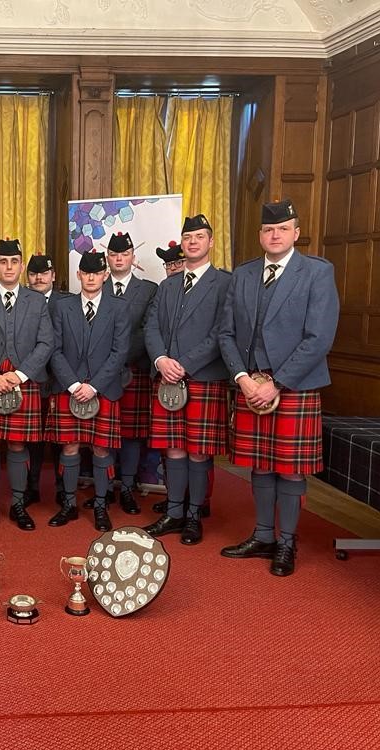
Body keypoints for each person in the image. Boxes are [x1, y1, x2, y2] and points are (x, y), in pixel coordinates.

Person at [217, 199, 339, 576]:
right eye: (269, 229)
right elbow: (226, 333)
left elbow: (319, 338)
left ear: (296, 234)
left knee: (289, 470)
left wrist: (278, 383)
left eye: (283, 229)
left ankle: (286, 543)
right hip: (251, 384)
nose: (275, 235)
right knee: (260, 465)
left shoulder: (316, 273)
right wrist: (242, 378)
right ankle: (263, 535)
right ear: (260, 235)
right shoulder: (243, 274)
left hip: (293, 387)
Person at [142, 215, 231, 545]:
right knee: (174, 448)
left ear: (210, 242)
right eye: (188, 236)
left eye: (199, 236)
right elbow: (151, 327)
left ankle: (194, 515)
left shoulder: (224, 283)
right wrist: (161, 360)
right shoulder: (167, 286)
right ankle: (174, 512)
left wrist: (185, 364)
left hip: (202, 377)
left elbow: (222, 332)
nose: (192, 242)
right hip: (166, 377)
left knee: (197, 451)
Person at [0, 238, 54, 531]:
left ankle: (18, 503)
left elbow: (46, 343)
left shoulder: (37, 301)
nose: (8, 267)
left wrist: (20, 375)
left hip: (22, 380)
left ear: (21, 266)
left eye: (14, 262)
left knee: (18, 445)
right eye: (3, 261)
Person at [44, 250, 129, 531]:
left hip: (102, 389)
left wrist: (93, 386)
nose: (91, 277)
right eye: (86, 272)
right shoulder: (62, 306)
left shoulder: (119, 307)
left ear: (105, 275)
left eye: (96, 272)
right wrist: (72, 384)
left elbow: (119, 353)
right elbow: (54, 350)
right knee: (69, 446)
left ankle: (102, 506)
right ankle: (68, 505)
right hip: (69, 387)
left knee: (101, 448)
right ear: (78, 274)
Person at [105, 231, 157, 515]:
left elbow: (146, 331)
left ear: (132, 258)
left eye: (124, 254)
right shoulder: (96, 285)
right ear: (108, 258)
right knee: (104, 432)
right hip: (103, 373)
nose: (119, 259)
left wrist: (117, 358)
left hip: (133, 369)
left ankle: (127, 488)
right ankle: (105, 487)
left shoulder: (148, 290)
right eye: (114, 255)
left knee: (131, 435)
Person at [23, 253, 70, 506]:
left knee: (63, 440)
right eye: (33, 273)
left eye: (44, 273)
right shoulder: (21, 300)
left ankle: (64, 489)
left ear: (53, 276)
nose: (39, 277)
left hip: (62, 380)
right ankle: (31, 487)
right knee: (34, 440)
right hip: (34, 380)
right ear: (27, 276)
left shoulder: (68, 302)